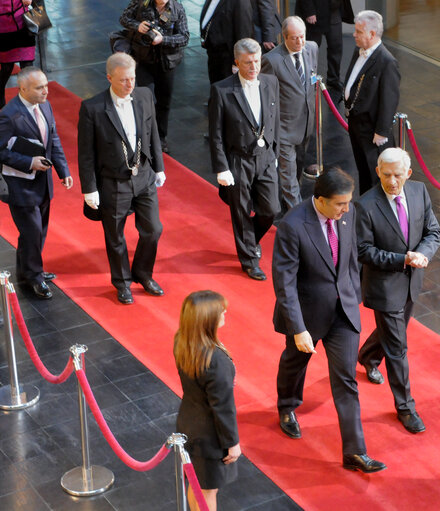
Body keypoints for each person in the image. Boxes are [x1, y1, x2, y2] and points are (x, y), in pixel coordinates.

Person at [272, 168, 386, 473]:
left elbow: (349, 260)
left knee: (346, 380)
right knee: (294, 363)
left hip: (343, 314)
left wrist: (352, 297)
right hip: (306, 317)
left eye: (348, 202)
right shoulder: (293, 225)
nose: (346, 209)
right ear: (320, 200)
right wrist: (297, 329)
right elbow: (285, 282)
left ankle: (355, 452)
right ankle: (286, 407)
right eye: (340, 204)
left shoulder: (347, 215)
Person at [356, 147, 440, 433]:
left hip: (411, 282)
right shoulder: (366, 205)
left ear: (409, 174)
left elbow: (433, 232)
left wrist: (422, 254)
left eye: (398, 175)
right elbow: (364, 251)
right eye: (387, 175)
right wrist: (402, 259)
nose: (393, 181)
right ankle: (406, 407)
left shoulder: (419, 192)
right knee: (398, 347)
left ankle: (367, 356)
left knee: (393, 331)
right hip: (384, 286)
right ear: (378, 172)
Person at [78, 52, 166, 305]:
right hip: (113, 181)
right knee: (115, 236)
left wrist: (158, 167)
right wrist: (89, 189)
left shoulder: (144, 96)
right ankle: (122, 283)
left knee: (153, 229)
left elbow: (153, 134)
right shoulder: (93, 108)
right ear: (109, 78)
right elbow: (86, 153)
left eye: (133, 78)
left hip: (144, 177)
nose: (130, 85)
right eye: (124, 80)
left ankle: (142, 273)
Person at [209, 38, 280, 281]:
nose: (254, 67)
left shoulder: (270, 81)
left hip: (266, 157)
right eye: (248, 63)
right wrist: (221, 167)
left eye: (257, 61)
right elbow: (216, 133)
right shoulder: (222, 90)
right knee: (240, 212)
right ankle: (250, 260)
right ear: (237, 63)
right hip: (238, 159)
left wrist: (275, 151)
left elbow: (274, 118)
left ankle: (248, 239)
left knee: (271, 209)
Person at [0, 66, 71, 299]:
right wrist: (29, 161)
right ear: (22, 88)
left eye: (46, 86)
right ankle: (35, 276)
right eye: (39, 88)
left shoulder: (46, 106)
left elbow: (54, 139)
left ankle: (27, 272)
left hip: (43, 181)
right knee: (32, 231)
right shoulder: (8, 115)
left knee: (38, 231)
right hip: (20, 184)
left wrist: (63, 170)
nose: (45, 91)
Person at [174, 290, 240, 511]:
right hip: (211, 437)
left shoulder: (183, 340)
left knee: (196, 485)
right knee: (207, 491)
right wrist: (232, 443)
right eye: (220, 311)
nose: (224, 313)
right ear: (207, 320)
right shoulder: (216, 360)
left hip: (189, 423)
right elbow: (223, 408)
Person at [260, 16, 317, 211]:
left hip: (306, 125)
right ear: (284, 37)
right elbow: (266, 98)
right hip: (284, 128)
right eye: (294, 38)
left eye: (302, 36)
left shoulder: (312, 49)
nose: (300, 42)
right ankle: (296, 216)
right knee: (289, 173)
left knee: (297, 170)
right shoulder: (271, 60)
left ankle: (289, 201)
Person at [120, 0, 190, 153]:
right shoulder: (141, 3)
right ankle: (145, 138)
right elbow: (124, 18)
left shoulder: (177, 9)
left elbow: (184, 37)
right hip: (144, 61)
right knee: (146, 101)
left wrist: (163, 40)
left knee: (164, 102)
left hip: (167, 64)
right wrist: (137, 26)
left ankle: (161, 138)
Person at [342, 10, 400, 193]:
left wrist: (381, 131)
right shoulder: (358, 51)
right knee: (363, 171)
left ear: (372, 34)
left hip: (372, 131)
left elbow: (389, 99)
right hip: (356, 124)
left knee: (376, 175)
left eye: (359, 31)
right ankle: (366, 209)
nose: (354, 34)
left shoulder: (387, 61)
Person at [295, 0, 353, 104]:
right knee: (311, 49)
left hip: (334, 11)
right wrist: (309, 11)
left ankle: (333, 79)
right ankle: (309, 79)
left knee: (336, 47)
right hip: (316, 12)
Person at [199, 0, 253, 84]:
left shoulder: (240, 2)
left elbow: (243, 32)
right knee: (216, 88)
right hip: (214, 54)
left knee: (227, 91)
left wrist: (237, 62)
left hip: (228, 58)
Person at [0, 0, 35, 109]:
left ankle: (29, 105)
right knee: (7, 67)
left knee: (27, 67)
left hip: (23, 20)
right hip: (3, 25)